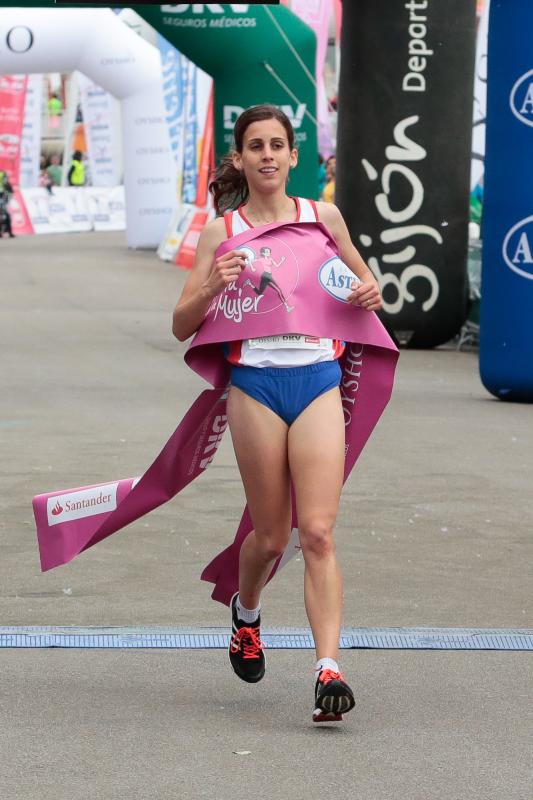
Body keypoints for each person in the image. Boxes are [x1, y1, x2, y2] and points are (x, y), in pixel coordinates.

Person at [172, 105, 382, 722]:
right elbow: (182, 323)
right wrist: (213, 285)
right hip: (255, 386)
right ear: (240, 158)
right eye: (255, 146)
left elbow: (364, 291)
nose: (267, 155)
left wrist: (371, 290)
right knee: (268, 536)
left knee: (315, 530)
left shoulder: (325, 218)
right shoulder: (222, 231)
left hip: (317, 378)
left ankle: (327, 670)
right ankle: (247, 613)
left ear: (294, 157)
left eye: (278, 145)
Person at [0, 170, 15, 238]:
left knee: (6, 216)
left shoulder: (6, 183)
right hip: (3, 200)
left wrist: (6, 199)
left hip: (3, 200)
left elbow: (11, 192)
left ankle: (9, 232)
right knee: (4, 216)